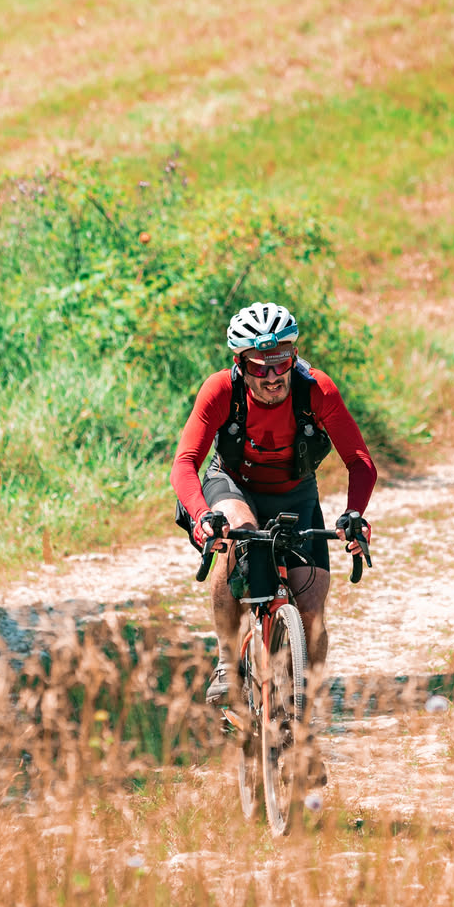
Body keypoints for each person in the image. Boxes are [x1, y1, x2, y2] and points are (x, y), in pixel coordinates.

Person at [172, 301, 375, 703]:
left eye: (280, 363)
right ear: (240, 363)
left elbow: (360, 462)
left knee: (312, 614)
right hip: (233, 483)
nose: (271, 376)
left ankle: (301, 721)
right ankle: (228, 661)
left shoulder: (317, 390)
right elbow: (185, 462)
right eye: (259, 366)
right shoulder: (220, 390)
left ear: (294, 356)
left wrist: (354, 514)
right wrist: (201, 516)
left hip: (295, 492)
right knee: (238, 536)